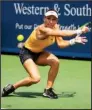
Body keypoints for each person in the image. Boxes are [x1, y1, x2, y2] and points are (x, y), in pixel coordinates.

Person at [2, 10, 89, 99]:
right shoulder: (41, 29)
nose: (51, 21)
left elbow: (61, 44)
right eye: (48, 18)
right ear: (44, 19)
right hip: (26, 53)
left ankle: (48, 90)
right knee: (35, 79)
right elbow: (61, 33)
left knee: (55, 62)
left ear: (57, 21)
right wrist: (79, 31)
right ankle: (12, 87)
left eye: (54, 19)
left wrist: (73, 41)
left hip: (39, 53)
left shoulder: (56, 28)